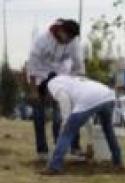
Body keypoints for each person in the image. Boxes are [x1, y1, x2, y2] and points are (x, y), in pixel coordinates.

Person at [40, 74, 124, 174]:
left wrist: (65, 124)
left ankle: (55, 166)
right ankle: (118, 162)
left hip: (90, 97)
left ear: (46, 92)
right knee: (108, 129)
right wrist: (90, 142)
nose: (51, 100)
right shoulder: (69, 82)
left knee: (67, 133)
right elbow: (86, 117)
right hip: (108, 96)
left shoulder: (51, 84)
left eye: (48, 98)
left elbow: (64, 101)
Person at [26, 19, 84, 160]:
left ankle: (69, 148)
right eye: (68, 37)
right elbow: (32, 66)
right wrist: (34, 91)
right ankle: (42, 151)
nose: (69, 41)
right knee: (39, 115)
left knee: (64, 114)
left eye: (72, 39)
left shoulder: (73, 42)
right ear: (61, 31)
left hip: (61, 76)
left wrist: (79, 85)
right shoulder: (41, 41)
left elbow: (78, 64)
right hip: (40, 76)